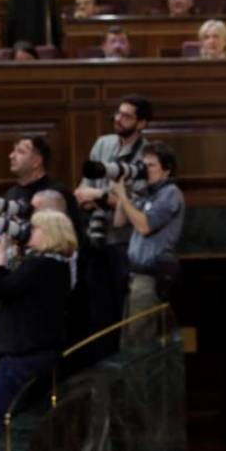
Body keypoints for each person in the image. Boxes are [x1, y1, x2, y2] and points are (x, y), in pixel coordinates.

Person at [0, 210, 77, 434]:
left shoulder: (41, 266)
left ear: (49, 233)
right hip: (38, 349)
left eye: (34, 228)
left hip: (25, 353)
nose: (27, 233)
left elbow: (1, 289)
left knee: (7, 416)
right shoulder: (58, 265)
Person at [74, 95, 151, 354]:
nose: (118, 119)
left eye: (126, 116)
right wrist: (95, 195)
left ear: (142, 123)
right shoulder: (103, 144)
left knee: (121, 310)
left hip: (123, 243)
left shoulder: (146, 155)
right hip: (95, 236)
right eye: (117, 114)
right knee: (96, 311)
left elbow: (131, 202)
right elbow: (85, 186)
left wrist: (98, 196)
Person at [113, 141, 184, 344]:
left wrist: (123, 198)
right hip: (133, 276)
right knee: (128, 338)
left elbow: (144, 226)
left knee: (140, 340)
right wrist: (123, 192)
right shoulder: (145, 193)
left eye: (151, 165)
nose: (145, 170)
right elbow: (119, 221)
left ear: (166, 170)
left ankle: (140, 376)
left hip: (151, 277)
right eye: (142, 164)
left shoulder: (170, 194)